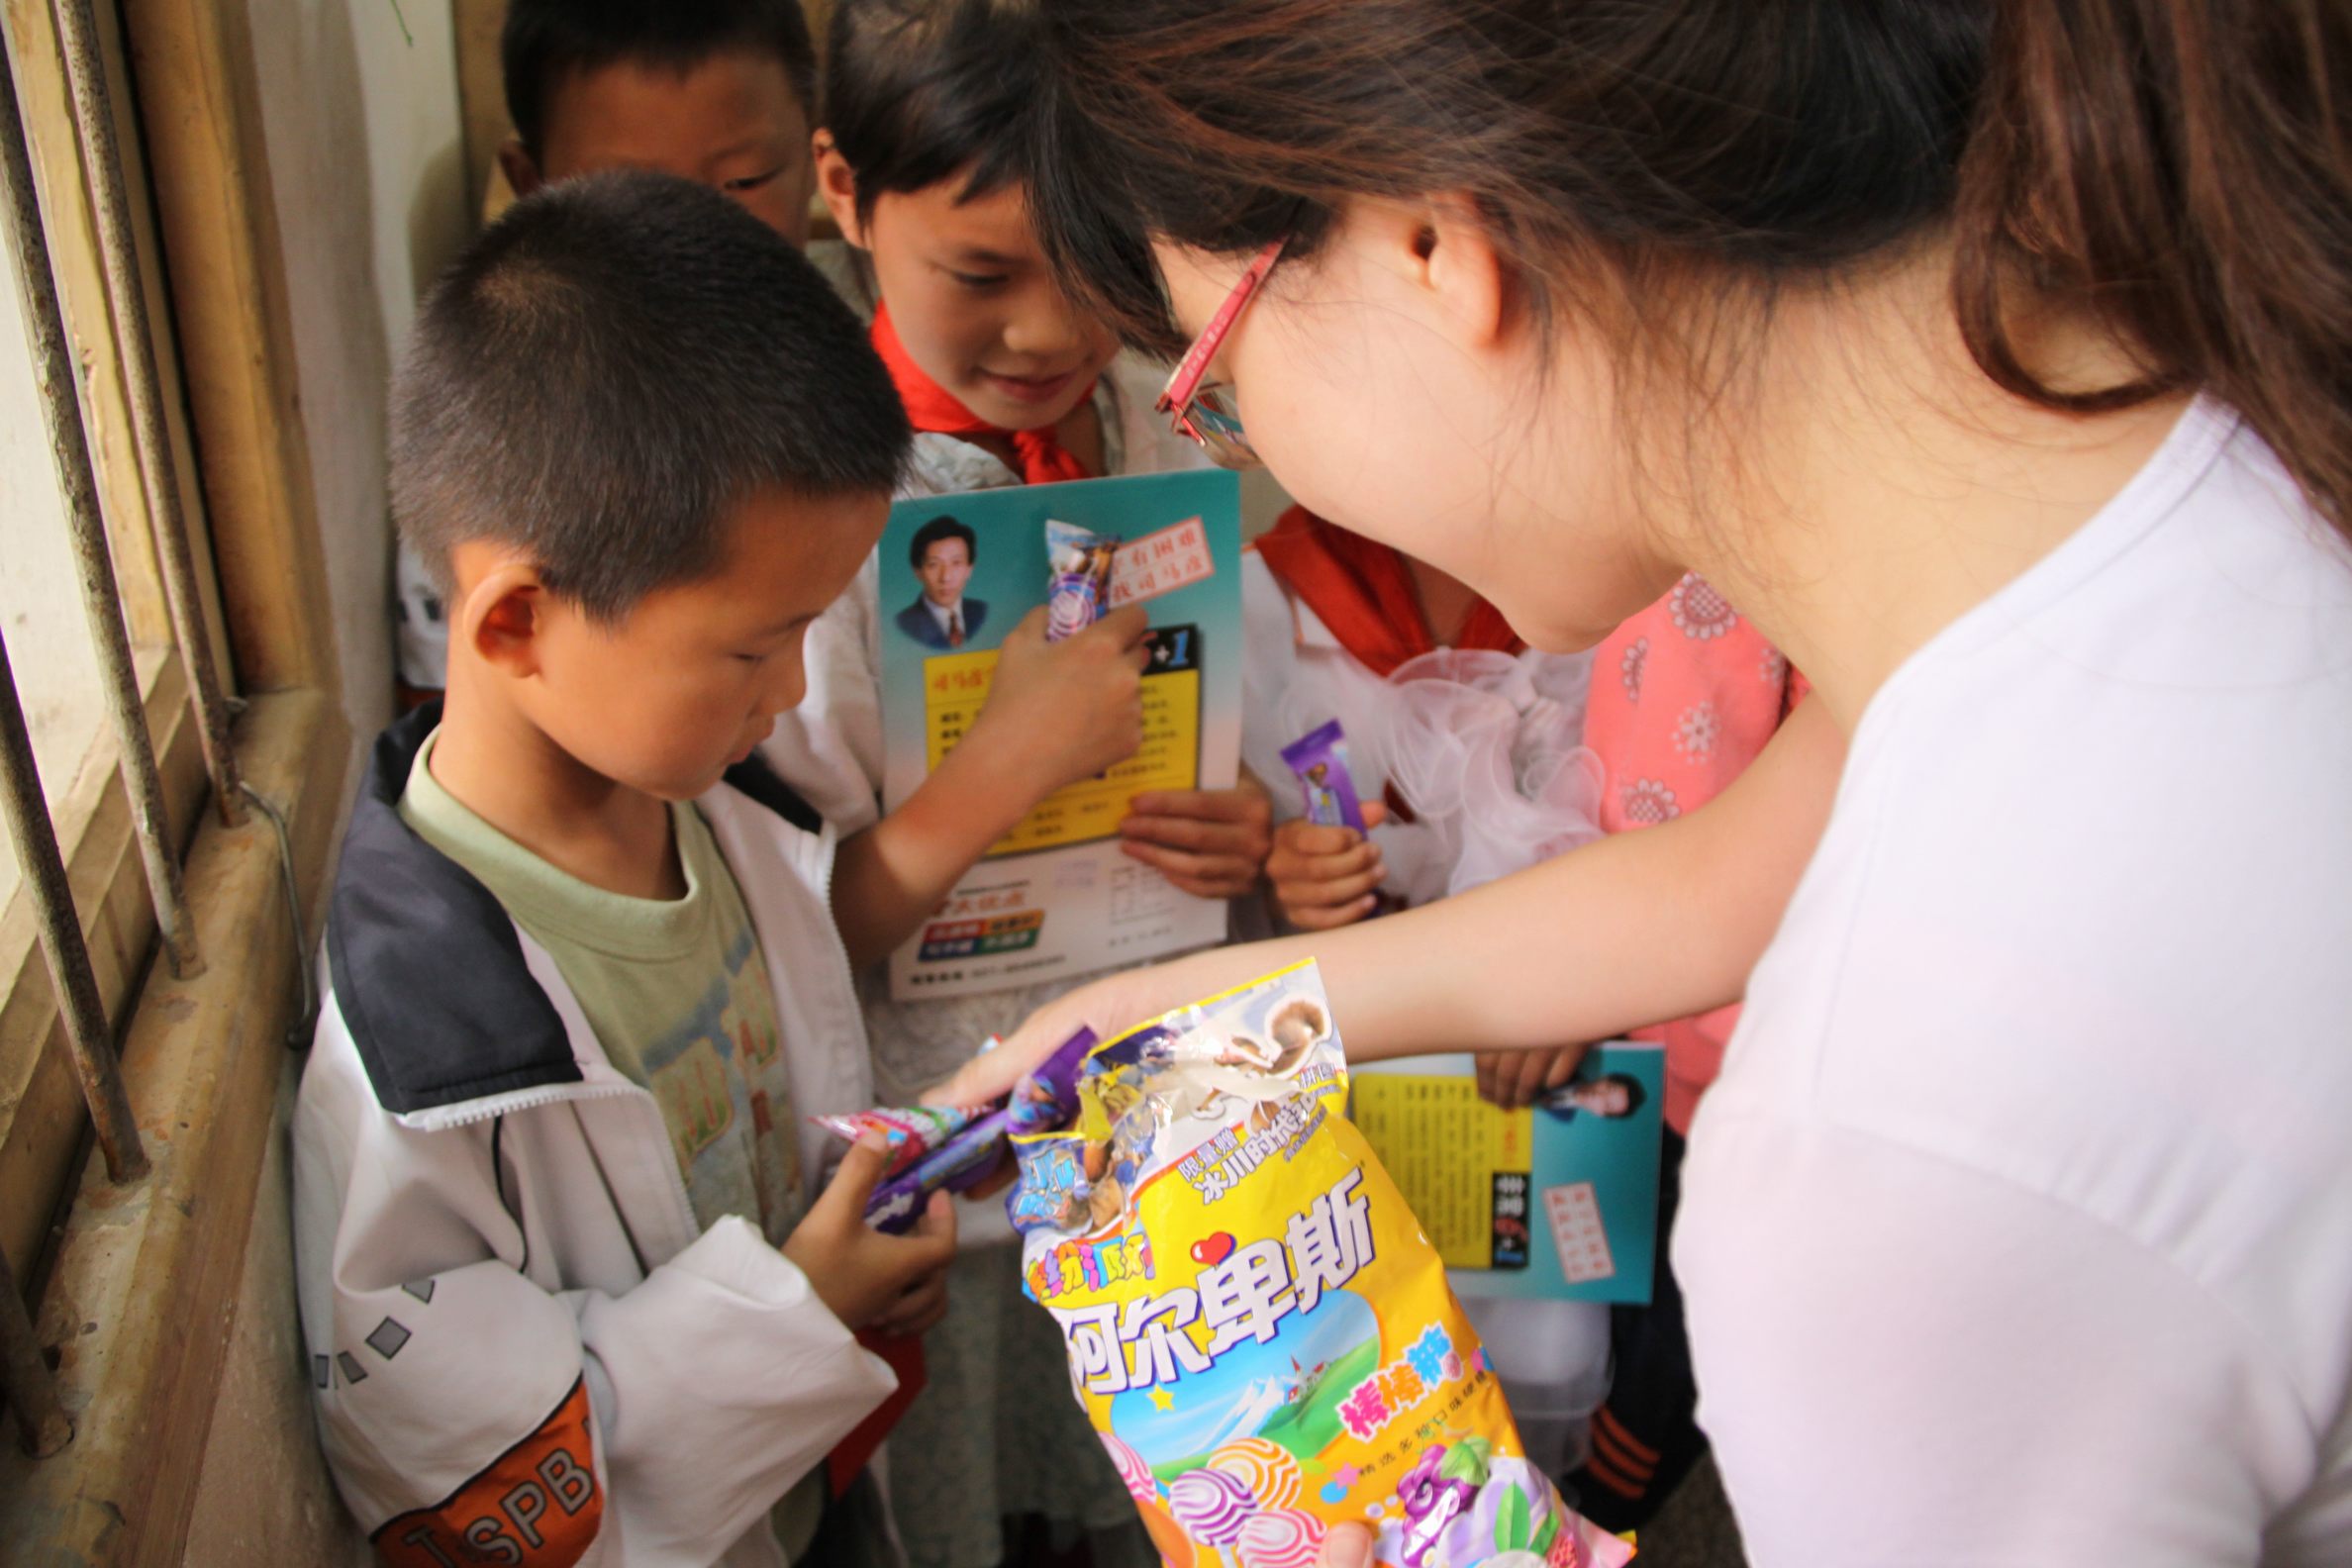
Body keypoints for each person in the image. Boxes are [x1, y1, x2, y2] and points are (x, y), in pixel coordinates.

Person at [945, 3, 2352, 1565]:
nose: (1246, 439)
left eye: (1216, 383)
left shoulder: (1886, 1146)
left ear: (1430, 240)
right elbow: (1725, 877)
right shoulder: (2182, 466)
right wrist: (1165, 1020)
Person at [293, 172, 955, 1567]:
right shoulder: (421, 1052)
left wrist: (850, 1268)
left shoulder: (728, 815)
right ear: (518, 624)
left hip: (817, 1501)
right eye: (752, 647)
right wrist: (798, 1308)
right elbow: (485, 1492)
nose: (791, 691)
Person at [757, 5, 1280, 1563]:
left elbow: (1226, 724)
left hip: (1153, 1147)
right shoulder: (801, 519)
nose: (1051, 334)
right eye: (982, 275)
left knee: (1168, 1494)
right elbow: (793, 940)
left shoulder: (1159, 427)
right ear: (844, 192)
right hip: (950, 1184)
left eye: (1098, 265)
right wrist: (1001, 770)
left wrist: (1241, 827)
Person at [895, 517, 987, 649]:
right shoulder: (904, 623)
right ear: (918, 572)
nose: (945, 577)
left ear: (969, 569)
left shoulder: (981, 611)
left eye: (956, 563)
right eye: (934, 564)